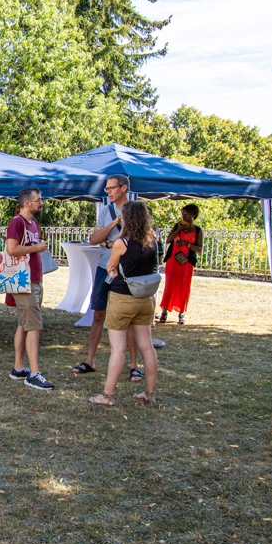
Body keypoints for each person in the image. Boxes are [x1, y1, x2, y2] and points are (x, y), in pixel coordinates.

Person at [72, 174, 143, 381]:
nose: (108, 192)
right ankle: (90, 360)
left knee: (128, 319)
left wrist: (109, 243)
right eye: (107, 189)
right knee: (98, 315)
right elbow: (95, 239)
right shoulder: (105, 211)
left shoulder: (138, 211)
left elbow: (139, 239)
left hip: (128, 270)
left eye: (111, 188)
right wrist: (114, 224)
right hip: (105, 268)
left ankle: (134, 366)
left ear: (124, 188)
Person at [90, 201, 159, 406]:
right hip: (144, 299)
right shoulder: (153, 241)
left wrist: (114, 270)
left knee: (118, 349)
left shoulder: (123, 243)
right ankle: (150, 392)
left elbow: (111, 267)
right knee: (147, 346)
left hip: (122, 298)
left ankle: (107, 395)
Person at [4, 188, 54, 391]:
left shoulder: (33, 224)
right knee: (34, 326)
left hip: (33, 280)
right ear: (27, 203)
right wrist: (37, 248)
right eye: (38, 200)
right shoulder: (17, 222)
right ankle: (34, 374)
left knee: (24, 324)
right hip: (24, 281)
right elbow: (12, 249)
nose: (41, 203)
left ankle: (18, 368)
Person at [159, 204, 203, 325]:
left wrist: (186, 243)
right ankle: (164, 311)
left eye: (187, 213)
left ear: (194, 215)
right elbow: (168, 240)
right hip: (173, 259)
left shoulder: (198, 230)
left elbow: (199, 248)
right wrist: (178, 229)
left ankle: (181, 312)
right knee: (170, 284)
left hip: (187, 261)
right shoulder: (177, 226)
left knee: (184, 285)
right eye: (182, 213)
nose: (184, 215)